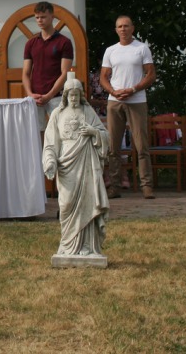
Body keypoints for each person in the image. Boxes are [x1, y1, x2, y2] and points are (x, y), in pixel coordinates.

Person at [42, 77, 110, 263]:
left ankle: (88, 246)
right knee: (65, 205)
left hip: (86, 162)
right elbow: (50, 142)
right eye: (70, 95)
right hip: (66, 165)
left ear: (81, 95)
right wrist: (50, 161)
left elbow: (105, 135)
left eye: (76, 94)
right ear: (65, 96)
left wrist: (93, 132)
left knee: (88, 202)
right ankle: (67, 245)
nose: (73, 98)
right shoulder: (57, 113)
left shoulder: (88, 112)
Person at [100, 15, 157, 200]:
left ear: (133, 28)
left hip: (137, 100)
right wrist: (113, 92)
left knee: (141, 146)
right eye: (119, 26)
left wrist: (133, 89)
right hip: (115, 101)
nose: (123, 29)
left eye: (126, 26)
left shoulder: (141, 48)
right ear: (116, 30)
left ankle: (146, 186)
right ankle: (114, 187)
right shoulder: (111, 50)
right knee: (113, 147)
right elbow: (103, 77)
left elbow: (150, 75)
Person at [22, 2, 74, 134]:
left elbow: (65, 73)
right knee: (36, 133)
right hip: (34, 97)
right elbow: (26, 73)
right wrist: (30, 94)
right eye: (37, 17)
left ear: (52, 17)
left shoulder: (64, 42)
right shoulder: (31, 43)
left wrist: (49, 95)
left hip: (56, 96)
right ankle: (40, 156)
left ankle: (58, 156)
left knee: (60, 133)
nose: (40, 20)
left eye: (43, 17)